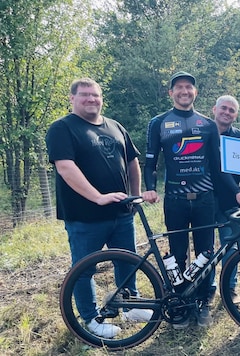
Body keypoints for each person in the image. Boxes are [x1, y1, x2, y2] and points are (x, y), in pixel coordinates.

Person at [144, 72, 240, 328]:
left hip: (205, 199)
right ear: (171, 93)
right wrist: (149, 188)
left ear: (195, 93)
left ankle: (203, 301)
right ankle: (181, 305)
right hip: (175, 200)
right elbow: (150, 162)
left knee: (206, 254)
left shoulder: (207, 125)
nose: (184, 91)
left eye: (189, 87)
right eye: (179, 88)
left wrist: (236, 192)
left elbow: (218, 167)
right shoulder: (158, 123)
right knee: (178, 254)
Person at [46, 78, 153, 338]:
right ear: (72, 98)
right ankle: (91, 319)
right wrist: (97, 197)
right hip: (84, 216)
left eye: (95, 95)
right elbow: (65, 167)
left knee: (126, 261)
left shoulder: (115, 126)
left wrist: (135, 196)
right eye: (84, 95)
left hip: (121, 213)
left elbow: (132, 161)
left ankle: (130, 304)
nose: (91, 99)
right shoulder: (62, 128)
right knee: (84, 269)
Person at [212, 95, 240, 305]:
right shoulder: (202, 133)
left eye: (231, 110)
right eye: (223, 108)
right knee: (206, 249)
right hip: (205, 200)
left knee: (231, 245)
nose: (227, 112)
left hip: (230, 201)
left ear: (236, 115)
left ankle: (230, 288)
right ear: (214, 109)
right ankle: (207, 290)